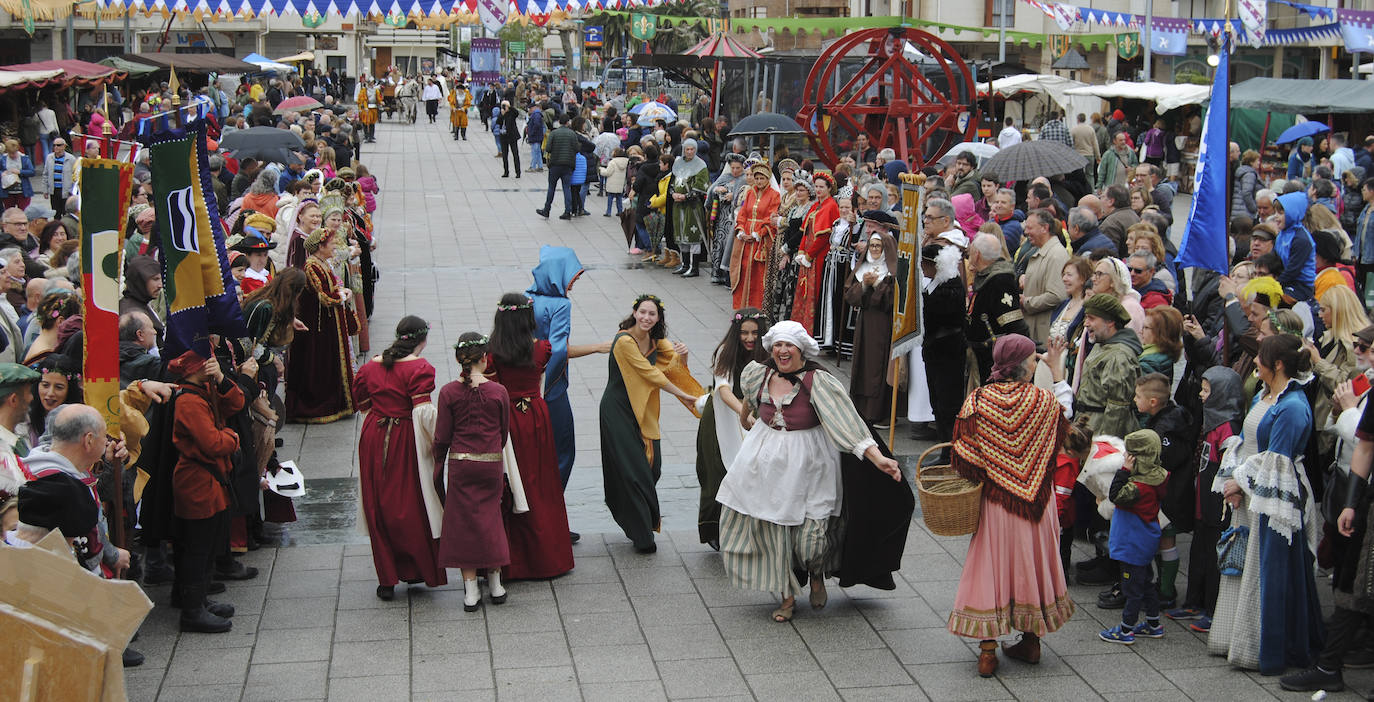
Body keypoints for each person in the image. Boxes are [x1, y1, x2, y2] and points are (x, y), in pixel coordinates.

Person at [716, 321, 901, 622]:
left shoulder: (818, 382)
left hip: (810, 465)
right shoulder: (758, 374)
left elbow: (848, 424)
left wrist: (877, 458)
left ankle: (816, 573)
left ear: (800, 349)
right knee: (775, 536)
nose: (782, 350)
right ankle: (787, 599)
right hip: (766, 466)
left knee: (811, 542)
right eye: (778, 345)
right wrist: (746, 418)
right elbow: (748, 401)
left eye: (789, 345)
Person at [948, 334, 1073, 676]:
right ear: (1023, 365)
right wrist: (1059, 372)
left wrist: (994, 469)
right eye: (1034, 359)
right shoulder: (1044, 401)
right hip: (1038, 503)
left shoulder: (979, 401)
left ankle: (987, 651)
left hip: (997, 503)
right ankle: (1031, 641)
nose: (1036, 364)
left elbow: (963, 455)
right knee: (1032, 564)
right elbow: (1068, 416)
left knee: (991, 566)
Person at [1210, 334, 1324, 675]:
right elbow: (1248, 442)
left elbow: (1277, 463)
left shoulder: (1292, 406)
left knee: (1270, 571)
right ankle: (1239, 639)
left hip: (1274, 501)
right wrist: (1234, 480)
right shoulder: (1268, 394)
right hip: (1253, 494)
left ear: (1276, 364)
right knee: (1244, 567)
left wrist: (1239, 481)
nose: (1254, 361)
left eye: (1260, 356)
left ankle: (1270, 649)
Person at [352, 316, 446, 600]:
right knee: (410, 503)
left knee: (378, 505)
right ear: (422, 340)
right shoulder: (420, 368)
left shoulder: (370, 367)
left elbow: (362, 403)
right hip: (404, 437)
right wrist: (442, 437)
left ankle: (387, 577)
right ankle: (418, 568)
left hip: (374, 436)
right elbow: (424, 412)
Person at [600, 295, 702, 553]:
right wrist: (684, 395)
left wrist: (685, 356)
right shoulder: (624, 340)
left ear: (658, 318)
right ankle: (642, 533)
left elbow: (673, 369)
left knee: (652, 468)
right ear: (634, 312)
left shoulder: (658, 341)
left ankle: (636, 518)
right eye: (642, 312)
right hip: (618, 409)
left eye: (652, 314)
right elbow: (651, 374)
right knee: (634, 471)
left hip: (644, 410)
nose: (646, 318)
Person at [484, 294, 574, 579]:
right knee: (541, 482)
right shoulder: (542, 348)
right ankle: (547, 557)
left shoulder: (491, 352)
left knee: (509, 483)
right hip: (535, 415)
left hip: (505, 418)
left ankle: (508, 558)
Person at [165, 351, 243, 633]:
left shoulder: (202, 390)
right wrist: (232, 439)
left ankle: (196, 599)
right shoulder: (189, 401)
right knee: (197, 546)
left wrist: (222, 379)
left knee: (205, 543)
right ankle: (192, 610)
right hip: (198, 481)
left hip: (207, 479)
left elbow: (236, 403)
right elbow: (212, 443)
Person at [434, 332, 512, 612]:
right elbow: (503, 433)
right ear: (485, 358)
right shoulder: (499, 391)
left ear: (459, 359)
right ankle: (495, 582)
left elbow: (442, 435)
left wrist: (437, 461)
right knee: (490, 518)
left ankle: (470, 590)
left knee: (463, 523)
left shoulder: (448, 392)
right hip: (490, 462)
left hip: (461, 463)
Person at [526, 247, 608, 498]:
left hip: (523, 386)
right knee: (563, 450)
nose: (574, 282)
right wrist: (597, 347)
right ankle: (551, 512)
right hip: (551, 389)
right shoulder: (560, 305)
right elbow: (558, 350)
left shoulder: (526, 298)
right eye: (573, 276)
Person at [695, 308, 769, 549]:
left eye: (755, 333)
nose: (749, 338)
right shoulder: (725, 353)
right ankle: (714, 528)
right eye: (744, 333)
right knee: (717, 472)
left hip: (755, 417)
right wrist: (743, 413)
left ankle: (750, 530)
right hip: (721, 417)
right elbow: (723, 389)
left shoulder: (769, 353)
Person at [1097, 429, 1168, 644]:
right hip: (1144, 542)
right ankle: (1153, 623)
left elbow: (1116, 495)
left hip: (1132, 544)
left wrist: (1123, 471)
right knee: (1146, 582)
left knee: (1132, 589)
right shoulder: (1156, 477)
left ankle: (1126, 629)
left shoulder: (1138, 486)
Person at [286, 227, 356, 423]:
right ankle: (321, 405)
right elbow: (325, 296)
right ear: (320, 247)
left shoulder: (322, 263)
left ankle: (339, 402)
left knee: (330, 361)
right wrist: (343, 294)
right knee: (319, 363)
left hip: (327, 322)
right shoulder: (312, 266)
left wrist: (342, 290)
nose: (334, 246)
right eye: (331, 243)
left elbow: (331, 287)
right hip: (318, 326)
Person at [845, 229, 897, 425]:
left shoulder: (891, 271)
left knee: (877, 365)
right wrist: (865, 286)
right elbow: (850, 297)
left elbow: (892, 300)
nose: (875, 250)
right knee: (863, 362)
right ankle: (861, 408)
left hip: (883, 324)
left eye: (878, 246)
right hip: (865, 323)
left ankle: (878, 412)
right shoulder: (863, 267)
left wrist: (876, 284)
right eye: (872, 246)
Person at [1076, 293, 1143, 437]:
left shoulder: (1118, 356)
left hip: (1100, 428)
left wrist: (1105, 445)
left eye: (1092, 318)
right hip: (1089, 423)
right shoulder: (1102, 343)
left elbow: (1117, 408)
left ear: (1110, 322)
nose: (1086, 323)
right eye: (1086, 317)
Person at [966, 232, 1030, 382]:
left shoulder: (1000, 280)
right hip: (980, 355)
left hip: (994, 359)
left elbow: (1012, 322)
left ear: (977, 254)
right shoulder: (985, 275)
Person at [790, 172, 840, 335]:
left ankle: (810, 329)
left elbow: (824, 236)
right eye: (816, 186)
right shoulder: (816, 205)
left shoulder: (830, 205)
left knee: (813, 291)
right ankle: (800, 325)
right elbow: (805, 231)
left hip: (818, 256)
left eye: (821, 187)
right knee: (804, 290)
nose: (818, 190)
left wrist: (809, 255)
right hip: (808, 255)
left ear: (829, 188)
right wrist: (802, 251)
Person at [730, 162, 780, 310]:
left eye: (762, 178)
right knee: (743, 270)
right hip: (745, 241)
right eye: (756, 178)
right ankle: (742, 305)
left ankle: (758, 306)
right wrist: (741, 231)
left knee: (758, 274)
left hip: (761, 241)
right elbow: (743, 213)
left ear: (768, 179)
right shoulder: (750, 192)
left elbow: (771, 217)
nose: (758, 181)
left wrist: (757, 234)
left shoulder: (774, 195)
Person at [1021, 210, 1070, 342]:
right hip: (1034, 332)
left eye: (1030, 227)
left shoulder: (1056, 255)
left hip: (1042, 337)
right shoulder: (1042, 252)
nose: (1026, 232)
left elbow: (1057, 295)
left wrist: (1026, 302)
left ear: (1044, 228)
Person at [670, 140, 711, 277]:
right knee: (682, 236)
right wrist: (673, 193)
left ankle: (694, 267)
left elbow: (701, 186)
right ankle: (685, 264)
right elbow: (672, 182)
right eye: (687, 149)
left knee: (692, 236)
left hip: (692, 206)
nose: (689, 152)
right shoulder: (678, 163)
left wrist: (686, 196)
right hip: (678, 206)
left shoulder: (701, 166)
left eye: (692, 149)